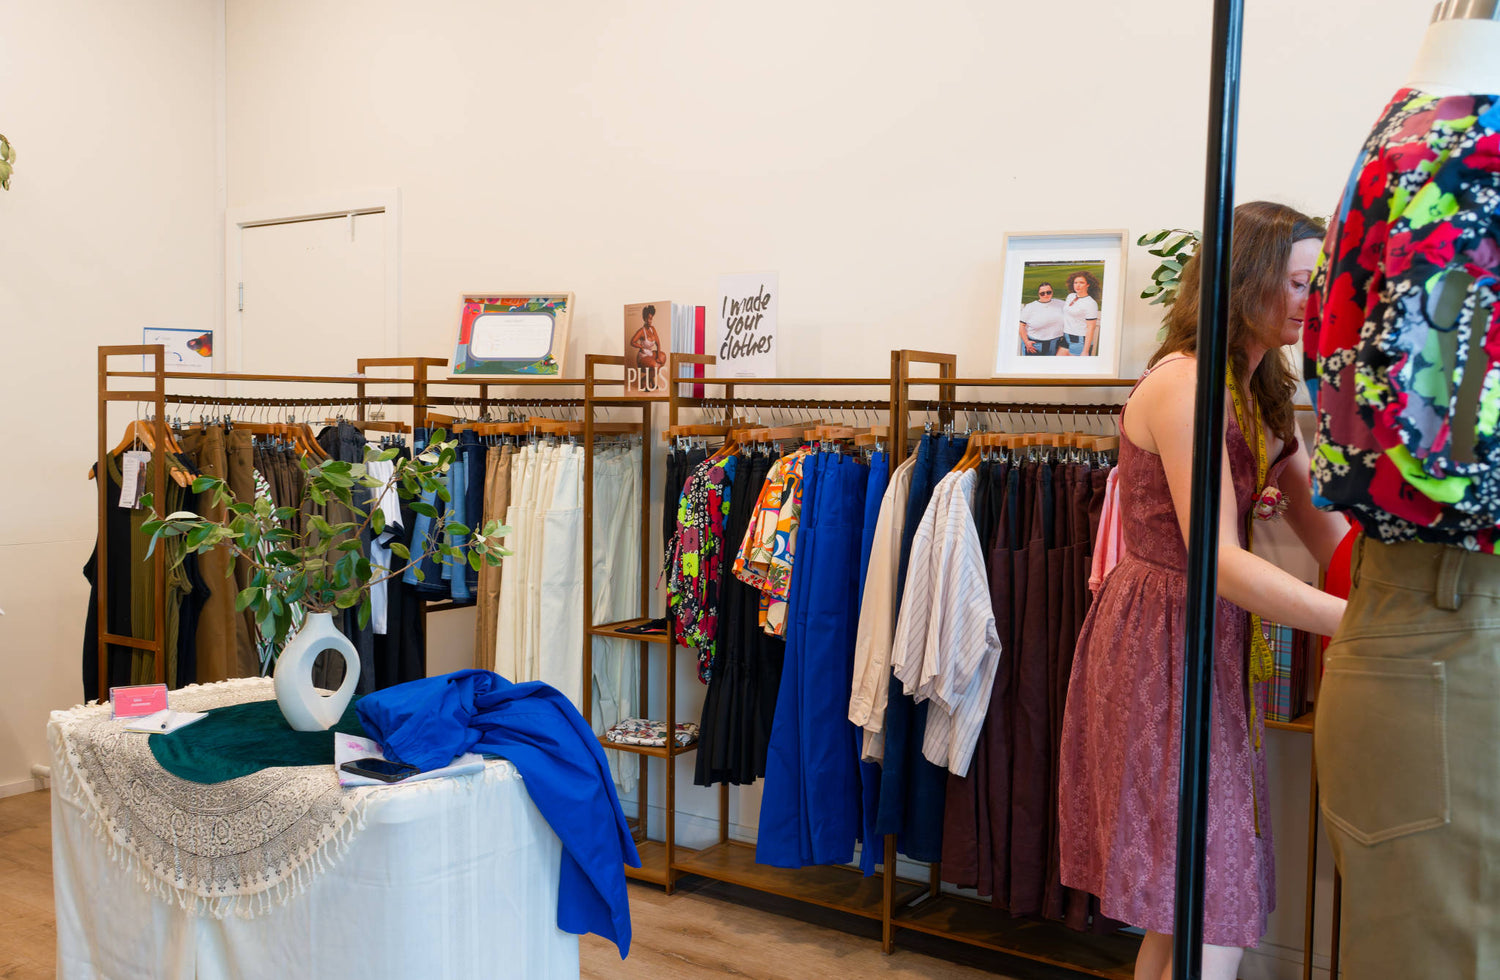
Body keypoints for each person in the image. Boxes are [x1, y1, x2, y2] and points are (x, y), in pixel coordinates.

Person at [1057, 201, 1349, 980]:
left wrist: (1415, 593)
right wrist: (1358, 626)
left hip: (1208, 638)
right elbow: (1217, 559)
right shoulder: (1185, 385)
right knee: (1211, 893)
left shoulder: (1255, 392)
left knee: (1191, 896)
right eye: (1295, 282)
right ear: (1244, 277)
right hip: (1164, 639)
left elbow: (1326, 529)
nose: (1308, 301)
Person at [1306, 13, 1500, 976]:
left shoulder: (1430, 139)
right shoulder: (1463, 156)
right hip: (1456, 619)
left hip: (1438, 618)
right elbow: (1451, 454)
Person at [1018, 282, 1065, 356]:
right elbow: (1021, 325)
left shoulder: (1060, 304)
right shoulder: (1030, 307)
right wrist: (1026, 342)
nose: (1046, 295)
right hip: (1035, 345)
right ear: (1038, 294)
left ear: (1052, 292)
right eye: (1042, 293)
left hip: (1055, 344)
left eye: (1048, 292)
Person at [1061, 271, 1101, 356]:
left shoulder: (1090, 303)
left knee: (1074, 368)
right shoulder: (1070, 296)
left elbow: (1091, 328)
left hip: (1079, 340)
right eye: (1075, 282)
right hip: (1065, 337)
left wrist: (1085, 351)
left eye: (1081, 283)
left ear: (1088, 285)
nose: (1078, 285)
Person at [629, 304, 667, 390]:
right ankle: (644, 381)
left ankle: (650, 380)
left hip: (650, 354)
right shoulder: (641, 331)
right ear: (644, 319)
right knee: (655, 365)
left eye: (651, 318)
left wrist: (658, 356)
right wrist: (641, 347)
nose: (650, 321)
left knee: (663, 357)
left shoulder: (652, 329)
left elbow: (658, 343)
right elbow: (632, 342)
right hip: (643, 357)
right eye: (648, 319)